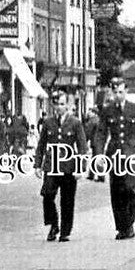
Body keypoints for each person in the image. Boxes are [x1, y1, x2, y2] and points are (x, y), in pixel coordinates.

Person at [97, 76, 135, 240]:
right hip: (114, 155)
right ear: (112, 93)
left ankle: (129, 224)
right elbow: (101, 133)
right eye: (115, 92)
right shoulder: (107, 110)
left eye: (121, 91)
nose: (118, 95)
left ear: (126, 91)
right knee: (116, 191)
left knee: (129, 189)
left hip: (132, 155)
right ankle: (122, 227)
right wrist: (99, 154)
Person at [34, 91, 88, 242]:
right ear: (53, 105)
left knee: (67, 200)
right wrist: (37, 165)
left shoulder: (75, 123)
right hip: (51, 166)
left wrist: (81, 167)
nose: (59, 107)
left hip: (69, 167)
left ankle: (65, 231)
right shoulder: (47, 122)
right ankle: (53, 224)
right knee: (47, 195)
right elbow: (41, 145)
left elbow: (82, 147)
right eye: (57, 104)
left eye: (62, 104)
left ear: (68, 105)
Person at [83, 106, 103, 182]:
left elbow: (88, 131)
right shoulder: (99, 120)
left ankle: (100, 176)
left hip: (95, 142)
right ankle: (92, 175)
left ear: (94, 113)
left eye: (90, 111)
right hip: (99, 142)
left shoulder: (93, 120)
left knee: (97, 159)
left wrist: (85, 141)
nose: (89, 113)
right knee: (96, 158)